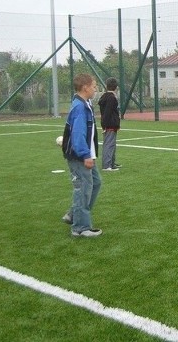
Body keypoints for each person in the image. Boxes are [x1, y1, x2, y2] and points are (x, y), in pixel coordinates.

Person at [61, 73, 103, 237]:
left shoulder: (85, 104)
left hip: (86, 154)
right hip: (80, 156)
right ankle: (80, 227)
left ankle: (73, 214)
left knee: (96, 182)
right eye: (93, 86)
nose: (95, 89)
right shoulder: (79, 107)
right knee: (83, 189)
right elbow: (78, 134)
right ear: (85, 87)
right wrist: (86, 155)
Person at [98, 77, 121, 171]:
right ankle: (107, 165)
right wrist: (105, 125)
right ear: (116, 87)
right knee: (109, 144)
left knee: (112, 144)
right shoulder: (111, 97)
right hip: (110, 124)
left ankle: (111, 163)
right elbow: (107, 112)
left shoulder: (106, 96)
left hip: (110, 123)